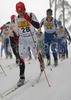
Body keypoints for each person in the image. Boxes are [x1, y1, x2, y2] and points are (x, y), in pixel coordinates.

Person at [15, 1, 44, 86]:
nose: (20, 13)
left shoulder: (31, 15)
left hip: (32, 37)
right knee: (21, 56)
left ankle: (41, 64)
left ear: (25, 9)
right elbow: (16, 31)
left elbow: (38, 26)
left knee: (36, 54)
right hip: (23, 38)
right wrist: (16, 38)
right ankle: (22, 77)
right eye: (18, 11)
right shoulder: (17, 19)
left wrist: (29, 19)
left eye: (22, 11)